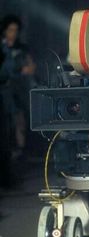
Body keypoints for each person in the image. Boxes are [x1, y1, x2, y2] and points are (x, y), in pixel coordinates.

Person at [0, 15, 37, 160]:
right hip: (3, 88)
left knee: (19, 119)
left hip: (18, 89)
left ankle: (20, 150)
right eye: (10, 30)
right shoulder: (2, 48)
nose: (13, 33)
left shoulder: (21, 48)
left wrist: (26, 70)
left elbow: (31, 66)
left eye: (15, 30)